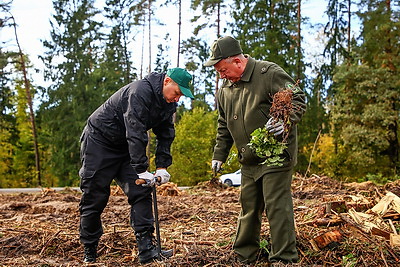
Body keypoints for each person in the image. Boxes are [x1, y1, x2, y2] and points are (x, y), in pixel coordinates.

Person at [204, 36, 306, 265]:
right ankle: (244, 255)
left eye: (222, 69)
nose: (221, 75)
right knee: (249, 206)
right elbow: (224, 124)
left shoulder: (268, 73)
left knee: (276, 205)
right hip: (249, 158)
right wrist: (219, 154)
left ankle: (284, 258)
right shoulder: (225, 89)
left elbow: (297, 97)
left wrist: (286, 120)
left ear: (237, 62)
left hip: (276, 154)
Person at [78, 68, 194, 264]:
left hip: (125, 146)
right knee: (94, 195)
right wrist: (141, 168)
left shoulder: (168, 103)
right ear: (167, 82)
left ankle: (147, 249)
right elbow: (135, 129)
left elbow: (166, 134)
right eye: (177, 93)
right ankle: (89, 249)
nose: (177, 99)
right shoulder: (139, 92)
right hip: (99, 141)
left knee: (141, 190)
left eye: (181, 96)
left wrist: (162, 167)